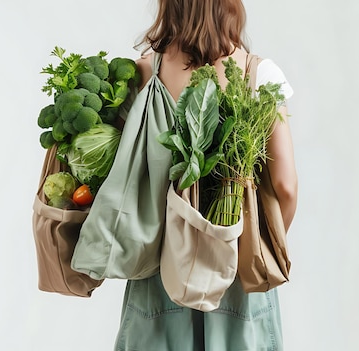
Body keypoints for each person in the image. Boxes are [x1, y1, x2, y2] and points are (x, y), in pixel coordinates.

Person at [114, 0, 298, 350]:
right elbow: (286, 186)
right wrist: (249, 249)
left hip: (160, 270)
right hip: (237, 269)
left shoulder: (142, 74)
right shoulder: (260, 75)